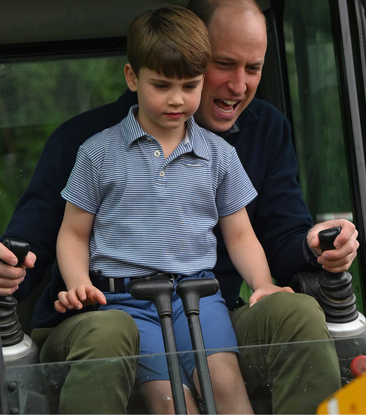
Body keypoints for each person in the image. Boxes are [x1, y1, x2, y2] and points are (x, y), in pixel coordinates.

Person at [0, 0, 359, 413]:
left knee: (292, 318)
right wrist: (14, 265)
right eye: (225, 64)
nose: (239, 86)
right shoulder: (90, 146)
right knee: (148, 374)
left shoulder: (245, 141)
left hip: (204, 303)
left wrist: (310, 247)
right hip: (114, 308)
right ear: (136, 78)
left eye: (254, 68)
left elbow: (263, 234)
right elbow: (47, 237)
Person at [54, 5, 279, 414]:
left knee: (226, 386)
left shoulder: (219, 155)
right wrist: (77, 284)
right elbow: (73, 233)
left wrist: (262, 283)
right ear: (131, 78)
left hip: (199, 295)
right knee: (171, 402)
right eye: (161, 85)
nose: (177, 100)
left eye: (190, 86)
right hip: (126, 302)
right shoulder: (97, 153)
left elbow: (241, 233)